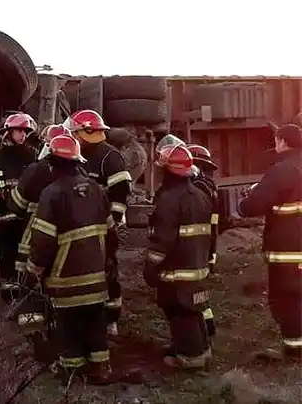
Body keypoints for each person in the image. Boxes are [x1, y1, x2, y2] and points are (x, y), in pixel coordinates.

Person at [26, 134, 118, 384]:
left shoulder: (51, 194)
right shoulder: (97, 190)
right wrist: (108, 263)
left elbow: (43, 241)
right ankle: (100, 368)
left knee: (68, 327)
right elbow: (112, 234)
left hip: (65, 280)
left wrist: (33, 269)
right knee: (96, 324)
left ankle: (73, 370)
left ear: (52, 163)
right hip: (97, 279)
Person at [144, 143, 213, 370]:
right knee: (194, 309)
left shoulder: (169, 199)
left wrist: (151, 267)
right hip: (197, 265)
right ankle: (199, 349)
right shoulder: (200, 195)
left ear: (167, 170)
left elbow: (162, 239)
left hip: (177, 269)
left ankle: (190, 358)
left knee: (179, 310)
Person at [238, 123, 302, 363]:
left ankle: (295, 352)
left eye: (276, 141)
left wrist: (245, 201)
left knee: (287, 301)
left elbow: (253, 206)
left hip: (289, 251)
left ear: (283, 141)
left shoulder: (282, 170)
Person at [66, 110, 132, 335]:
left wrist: (111, 223)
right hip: (80, 227)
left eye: (75, 133)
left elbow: (120, 193)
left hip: (104, 227)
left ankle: (111, 319)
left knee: (107, 271)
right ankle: (88, 315)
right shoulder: (78, 154)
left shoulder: (109, 157)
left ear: (84, 132)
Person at [5, 123, 70, 326]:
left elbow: (15, 205)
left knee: (31, 280)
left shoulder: (34, 170)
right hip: (67, 242)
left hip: (34, 236)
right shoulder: (79, 175)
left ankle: (31, 326)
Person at [0, 113, 37, 291]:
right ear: (8, 132)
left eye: (25, 131)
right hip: (2, 221)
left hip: (26, 220)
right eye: (19, 130)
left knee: (27, 258)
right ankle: (8, 295)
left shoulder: (32, 156)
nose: (23, 135)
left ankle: (25, 291)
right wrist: (0, 194)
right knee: (6, 259)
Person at [187, 143, 220, 339]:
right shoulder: (210, 185)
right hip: (208, 245)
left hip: (198, 245)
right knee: (199, 289)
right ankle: (208, 323)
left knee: (194, 290)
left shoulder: (199, 188)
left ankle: (205, 326)